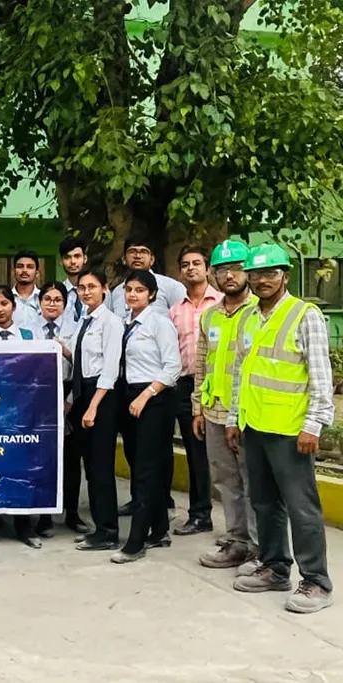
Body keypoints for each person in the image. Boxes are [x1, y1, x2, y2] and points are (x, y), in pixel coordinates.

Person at [227, 243, 334, 614]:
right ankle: (274, 567)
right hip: (255, 426)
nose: (262, 280)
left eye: (270, 273)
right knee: (264, 502)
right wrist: (234, 418)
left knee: (302, 508)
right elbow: (241, 372)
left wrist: (314, 425)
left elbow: (321, 376)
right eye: (256, 274)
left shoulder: (305, 315)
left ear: (285, 276)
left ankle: (317, 581)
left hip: (291, 430)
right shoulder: (248, 317)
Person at [191, 240, 260, 572]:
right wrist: (197, 408)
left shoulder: (260, 313)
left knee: (254, 483)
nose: (229, 275)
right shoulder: (211, 316)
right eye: (221, 270)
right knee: (225, 481)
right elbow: (201, 363)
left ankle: (261, 549)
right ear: (213, 275)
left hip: (249, 414)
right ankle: (237, 541)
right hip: (214, 411)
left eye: (236, 269)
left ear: (248, 272)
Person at [110, 271, 181, 564]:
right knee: (140, 463)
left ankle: (136, 541)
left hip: (153, 399)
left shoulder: (160, 323)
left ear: (151, 294)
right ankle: (160, 530)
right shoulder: (125, 323)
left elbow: (173, 367)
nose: (132, 295)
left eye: (139, 290)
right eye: (128, 289)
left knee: (145, 471)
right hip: (129, 396)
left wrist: (146, 395)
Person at [0, 285, 39, 549]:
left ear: (13, 306)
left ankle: (25, 528)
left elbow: (39, 373)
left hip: (21, 412)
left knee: (20, 468)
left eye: (4, 304)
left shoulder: (28, 335)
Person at [168, 245, 222, 536]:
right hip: (182, 385)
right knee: (192, 452)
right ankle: (198, 514)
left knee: (222, 455)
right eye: (186, 264)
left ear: (208, 269)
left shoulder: (223, 304)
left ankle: (238, 523)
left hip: (216, 386)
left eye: (197, 263)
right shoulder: (175, 311)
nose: (191, 268)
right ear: (180, 272)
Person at [67, 268, 122, 551]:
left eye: (92, 286)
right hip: (84, 393)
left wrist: (93, 407)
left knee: (100, 467)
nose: (86, 291)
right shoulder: (84, 320)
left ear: (105, 289)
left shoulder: (111, 322)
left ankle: (108, 531)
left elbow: (110, 368)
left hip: (101, 396)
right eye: (81, 287)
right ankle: (100, 527)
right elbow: (79, 360)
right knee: (90, 466)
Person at [33, 281, 89, 537]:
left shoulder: (76, 328)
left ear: (65, 304)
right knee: (44, 459)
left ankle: (72, 513)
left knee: (71, 459)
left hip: (69, 396)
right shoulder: (29, 330)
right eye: (47, 299)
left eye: (57, 300)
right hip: (38, 398)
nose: (52, 304)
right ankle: (44, 516)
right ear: (39, 302)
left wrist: (65, 351)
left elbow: (83, 366)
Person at [107, 234, 187, 317]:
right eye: (132, 251)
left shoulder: (171, 287)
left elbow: (184, 318)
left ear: (152, 260)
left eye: (143, 252)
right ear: (124, 259)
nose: (137, 256)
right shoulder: (117, 292)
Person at [59, 237, 88, 326]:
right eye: (67, 257)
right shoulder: (57, 293)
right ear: (61, 261)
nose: (73, 261)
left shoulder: (98, 292)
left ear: (85, 258)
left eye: (77, 256)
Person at [12, 250, 42, 328]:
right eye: (20, 266)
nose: (24, 270)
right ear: (13, 272)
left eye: (30, 267)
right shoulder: (6, 299)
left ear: (37, 273)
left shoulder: (44, 298)